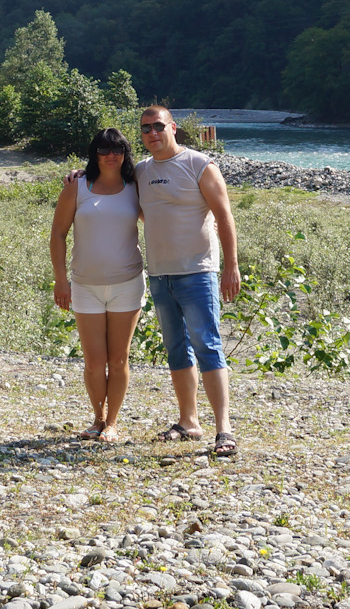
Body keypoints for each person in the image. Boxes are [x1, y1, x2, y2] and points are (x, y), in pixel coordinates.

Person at [134, 104, 240, 457]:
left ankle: (224, 429)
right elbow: (104, 182)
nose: (152, 133)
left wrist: (230, 266)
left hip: (198, 271)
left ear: (173, 127)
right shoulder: (140, 171)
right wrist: (77, 173)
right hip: (160, 274)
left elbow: (224, 215)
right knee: (176, 348)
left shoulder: (199, 164)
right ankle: (188, 421)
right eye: (145, 128)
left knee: (208, 345)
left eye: (158, 126)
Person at [49, 126, 145, 443]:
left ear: (125, 154)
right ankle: (97, 419)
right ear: (94, 154)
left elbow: (162, 213)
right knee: (93, 363)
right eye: (103, 150)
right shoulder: (78, 186)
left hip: (127, 284)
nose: (110, 156)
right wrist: (60, 280)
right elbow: (58, 235)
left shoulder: (136, 186)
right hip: (84, 286)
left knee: (118, 360)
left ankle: (113, 423)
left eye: (117, 150)